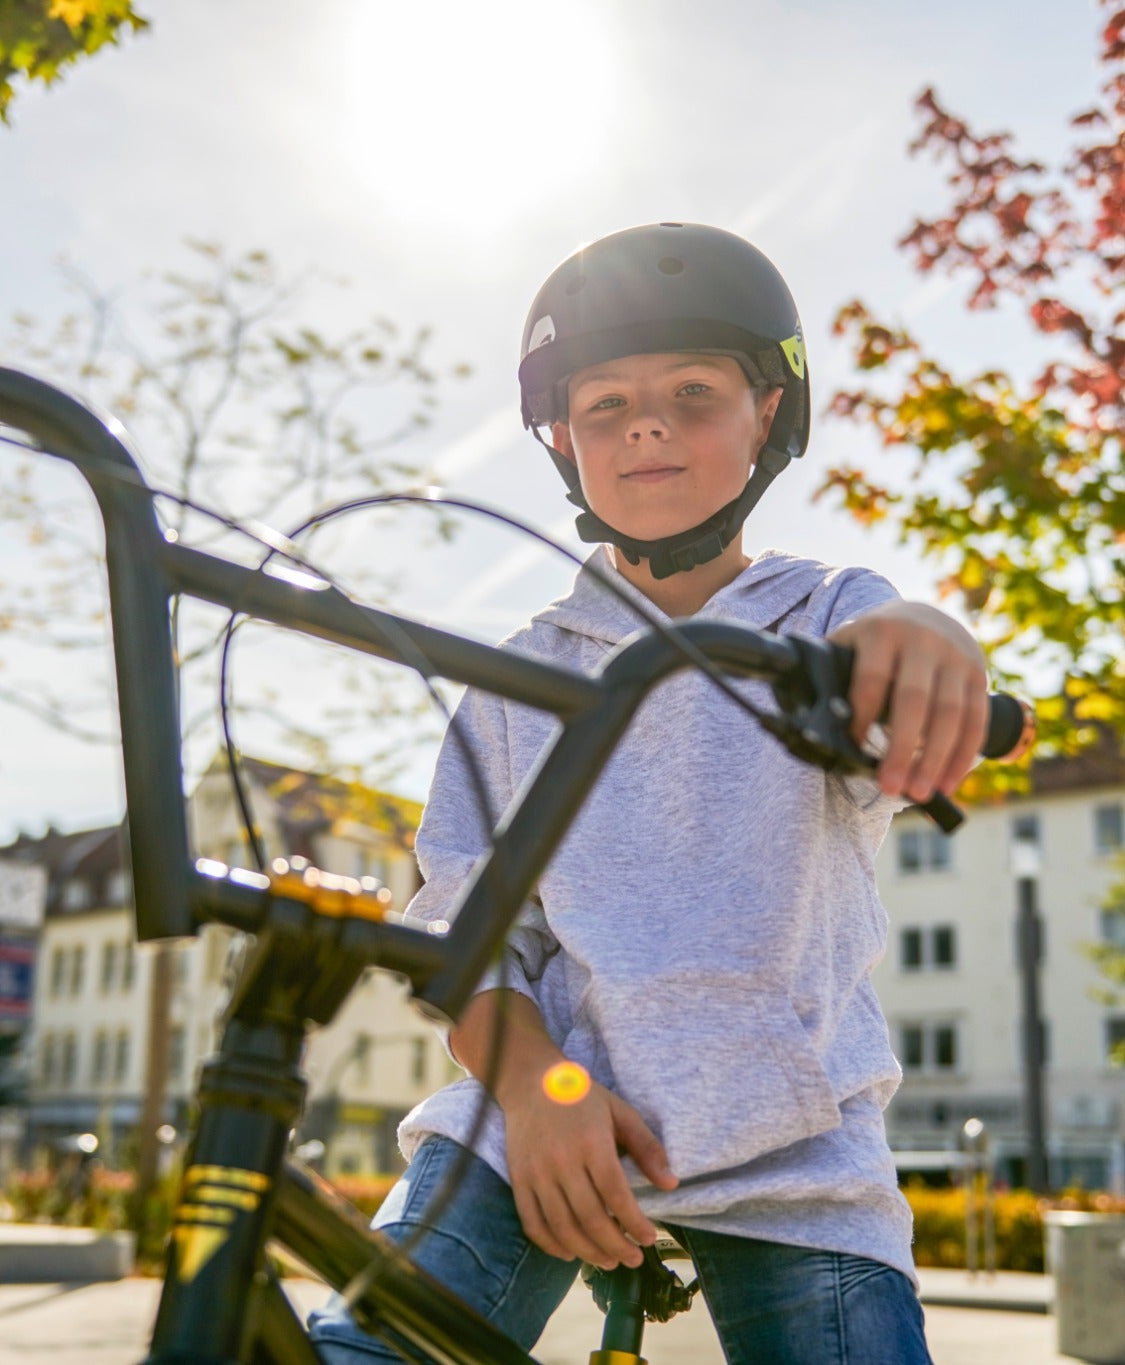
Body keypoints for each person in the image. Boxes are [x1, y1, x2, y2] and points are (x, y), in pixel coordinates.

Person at [308, 224, 990, 1364]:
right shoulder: (516, 678)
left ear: (767, 414)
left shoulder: (818, 617)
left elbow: (890, 650)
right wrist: (536, 1085)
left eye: (691, 391)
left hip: (793, 1147)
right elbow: (466, 939)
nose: (647, 426)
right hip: (539, 1114)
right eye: (605, 404)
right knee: (370, 1349)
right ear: (564, 441)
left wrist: (927, 638)